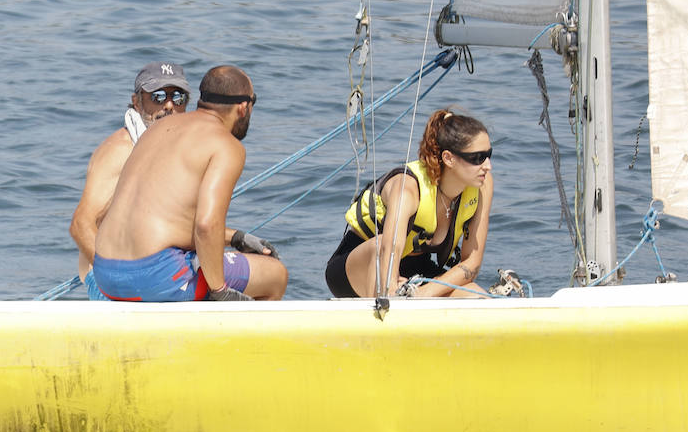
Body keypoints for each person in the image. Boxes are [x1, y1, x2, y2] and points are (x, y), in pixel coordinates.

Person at [90, 65, 289, 302]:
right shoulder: (227, 146)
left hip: (106, 274)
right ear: (244, 107)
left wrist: (236, 238)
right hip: (155, 278)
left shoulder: (159, 127)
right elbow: (206, 226)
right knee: (275, 274)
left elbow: (161, 221)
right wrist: (219, 291)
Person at [324, 108, 493, 298]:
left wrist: (424, 292)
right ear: (449, 158)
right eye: (477, 158)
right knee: (382, 247)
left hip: (414, 270)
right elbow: (390, 249)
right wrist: (392, 290)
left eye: (489, 154)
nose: (487, 166)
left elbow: (472, 262)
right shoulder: (407, 188)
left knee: (478, 297)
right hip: (359, 266)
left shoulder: (482, 185)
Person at [70, 62, 192, 289]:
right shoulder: (122, 150)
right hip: (114, 278)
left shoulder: (178, 148)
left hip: (161, 267)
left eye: (178, 98)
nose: (168, 105)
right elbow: (80, 225)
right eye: (157, 96)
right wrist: (120, 279)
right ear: (136, 102)